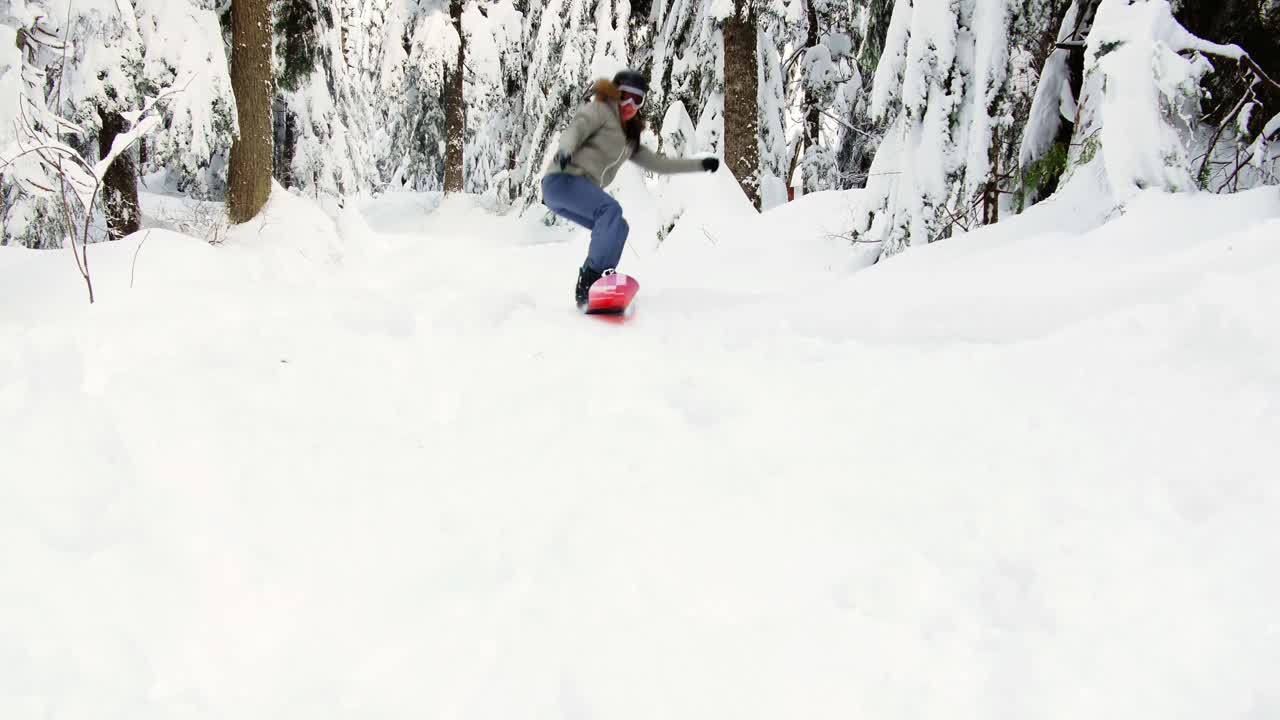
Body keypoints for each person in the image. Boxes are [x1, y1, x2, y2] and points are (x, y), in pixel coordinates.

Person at [541, 69, 720, 308]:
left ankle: (597, 281)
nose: (631, 105)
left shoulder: (628, 140)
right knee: (610, 211)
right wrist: (565, 150)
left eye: (638, 100)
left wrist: (699, 165)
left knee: (618, 227)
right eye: (626, 96)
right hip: (563, 179)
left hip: (573, 190)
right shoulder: (600, 111)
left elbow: (659, 165)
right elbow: (577, 128)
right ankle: (591, 282)